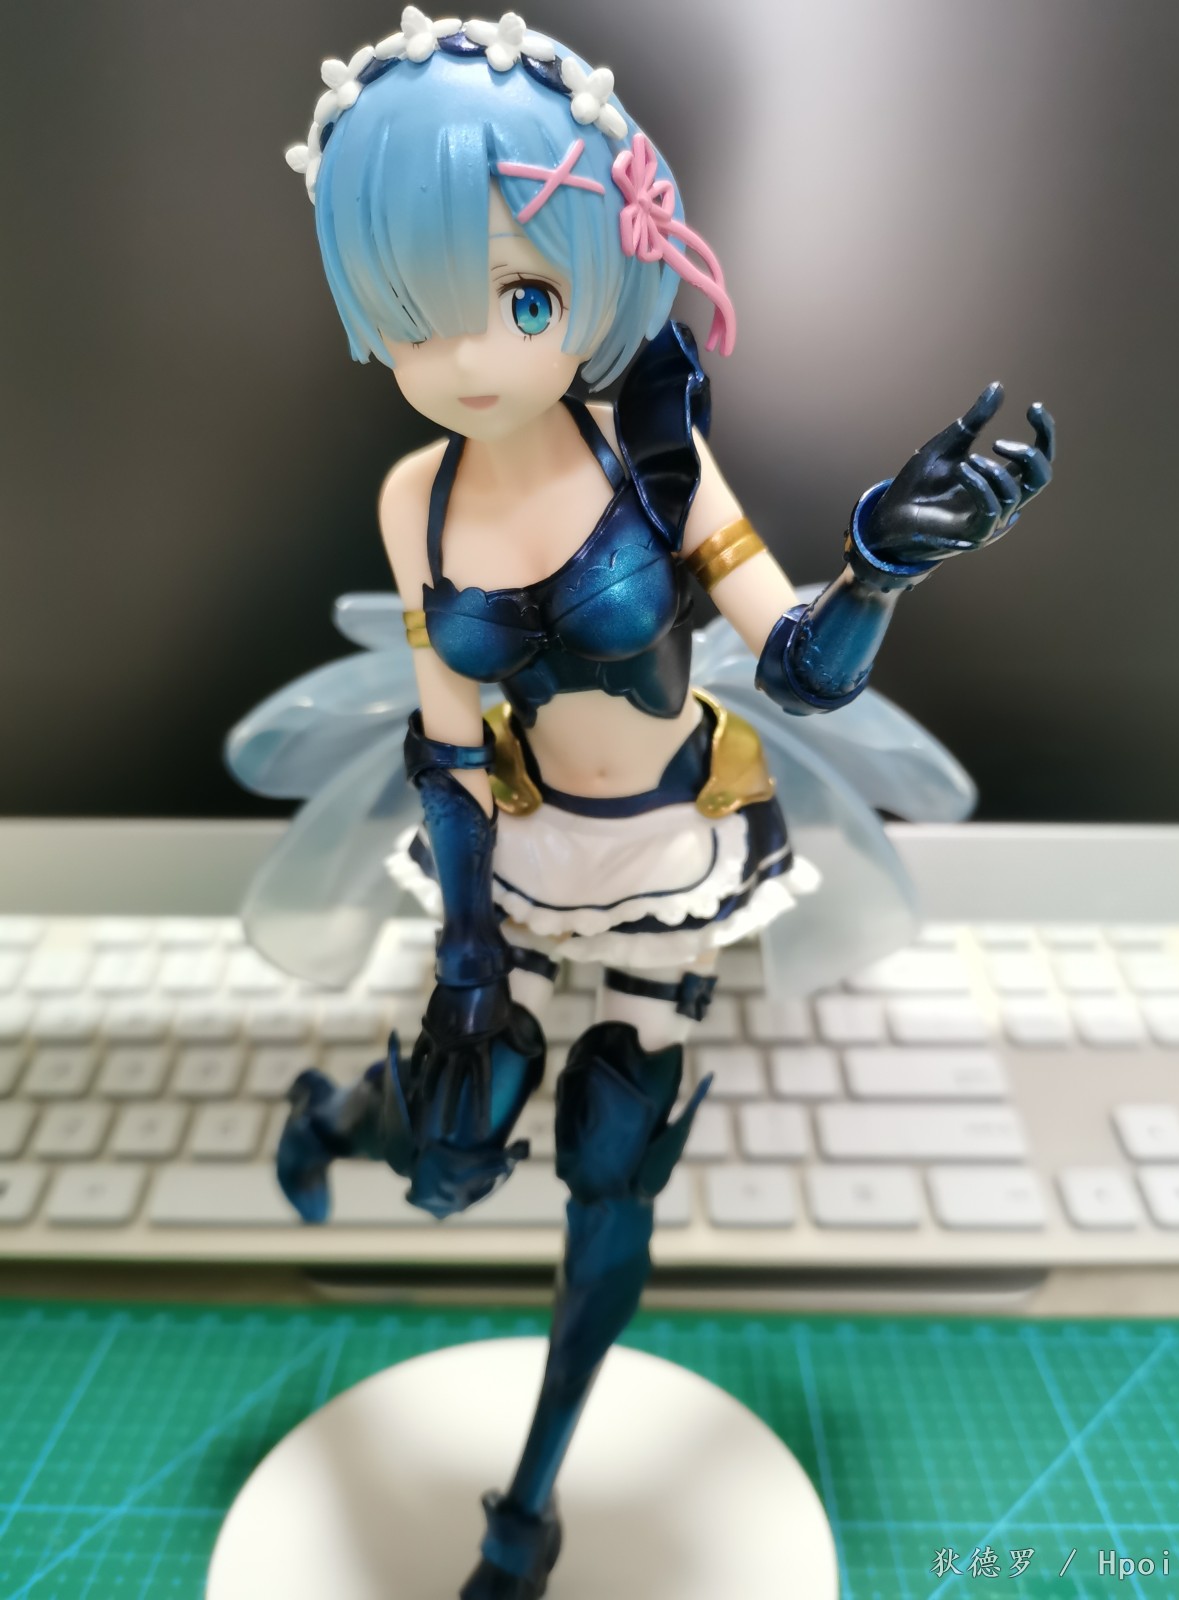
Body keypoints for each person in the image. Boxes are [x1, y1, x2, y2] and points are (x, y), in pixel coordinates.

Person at [232, 12, 1055, 1596]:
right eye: (417, 312)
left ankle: (528, 1508)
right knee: (452, 1156)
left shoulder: (654, 462)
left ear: (597, 277)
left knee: (610, 1175)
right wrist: (467, 954)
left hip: (672, 861)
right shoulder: (417, 498)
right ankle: (348, 1112)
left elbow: (799, 667)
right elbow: (447, 741)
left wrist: (876, 573)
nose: (471, 357)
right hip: (515, 857)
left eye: (520, 298)